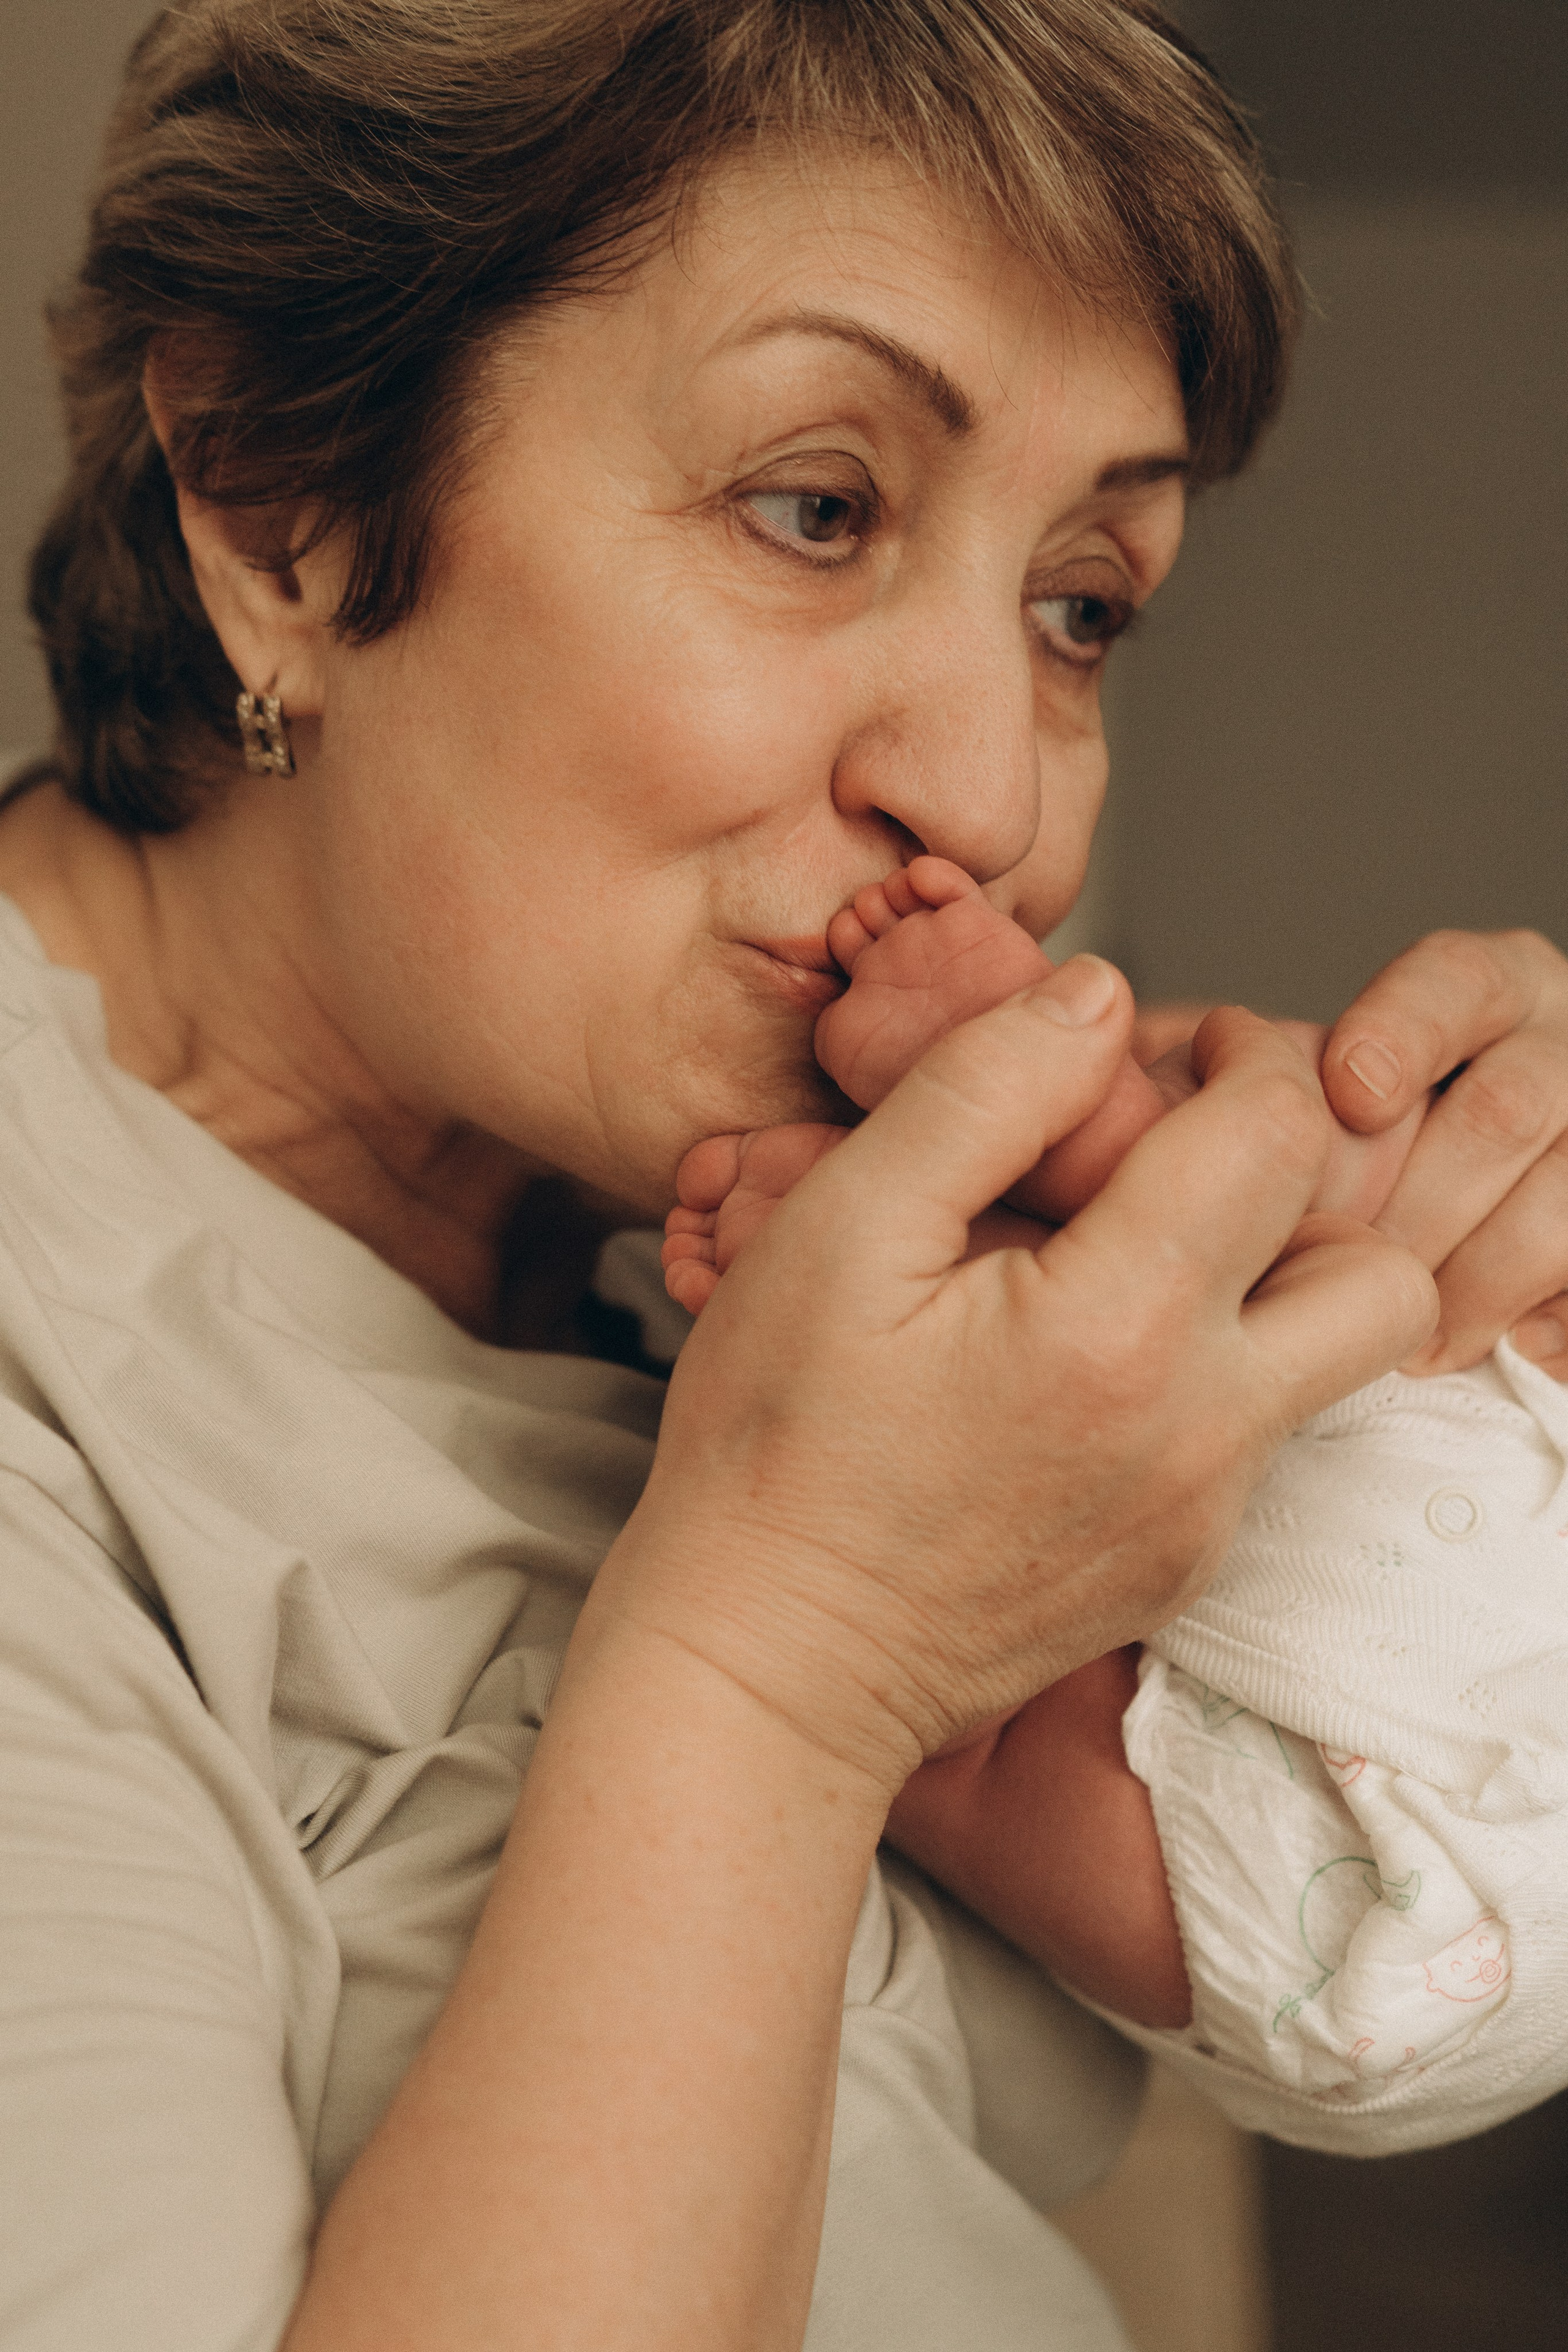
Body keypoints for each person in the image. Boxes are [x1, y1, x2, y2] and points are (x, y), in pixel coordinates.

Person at [5, 4, 1568, 2348]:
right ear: (279, 506)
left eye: (1079, 608)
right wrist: (787, 1654)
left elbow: (1385, 1976)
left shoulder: (703, 1237)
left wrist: (1459, 1452)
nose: (1002, 800)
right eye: (812, 506)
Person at [663, 856, 1568, 2152]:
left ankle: (1010, 1209)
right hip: (1411, 1962)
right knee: (966, 1731)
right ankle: (979, 1237)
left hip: (1384, 1920)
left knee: (1291, 1219)